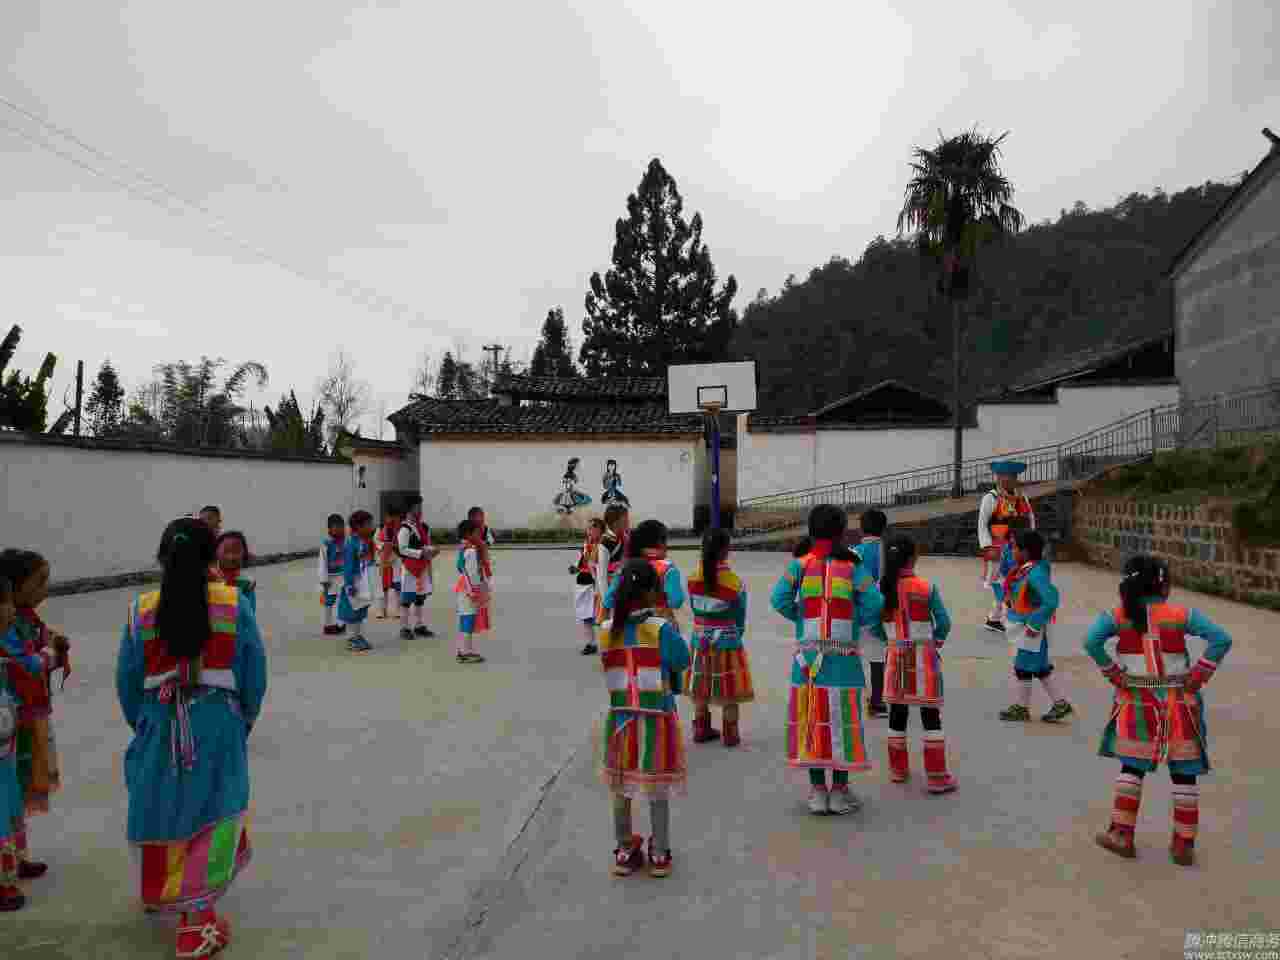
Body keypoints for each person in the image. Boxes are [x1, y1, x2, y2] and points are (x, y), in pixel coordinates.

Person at [116, 517, 266, 957]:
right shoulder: (233, 604)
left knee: (162, 808)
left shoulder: (141, 610)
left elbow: (128, 682)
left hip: (158, 719)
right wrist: (244, 719)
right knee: (214, 811)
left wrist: (145, 724)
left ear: (162, 558)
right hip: (217, 720)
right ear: (211, 558)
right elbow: (254, 672)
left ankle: (164, 893)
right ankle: (196, 925)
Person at [1084, 556, 1231, 866]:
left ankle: (1121, 834)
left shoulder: (1118, 616)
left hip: (1136, 702)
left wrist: (1113, 673)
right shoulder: (1181, 614)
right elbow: (1221, 639)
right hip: (1181, 701)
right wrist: (1199, 674)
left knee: (1132, 768)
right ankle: (1184, 844)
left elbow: (1091, 641)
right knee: (1184, 773)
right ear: (1163, 585)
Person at [770, 504, 883, 816]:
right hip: (843, 658)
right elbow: (874, 603)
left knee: (813, 721)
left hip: (807, 661)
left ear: (811, 530)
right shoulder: (853, 566)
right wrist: (854, 622)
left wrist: (802, 617)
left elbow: (778, 599)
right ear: (841, 532)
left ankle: (818, 791)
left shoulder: (799, 565)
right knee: (842, 722)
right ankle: (840, 792)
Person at [598, 560, 689, 878]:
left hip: (620, 718)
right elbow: (682, 659)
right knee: (656, 785)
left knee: (621, 785)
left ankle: (625, 849)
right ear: (652, 592)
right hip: (656, 717)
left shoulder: (607, 630)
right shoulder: (659, 629)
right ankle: (660, 852)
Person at [0, 549, 70, 879]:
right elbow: (30, 664)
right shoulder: (7, 628)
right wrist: (52, 653)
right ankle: (8, 867)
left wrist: (51, 642)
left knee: (16, 792)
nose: (45, 589)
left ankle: (17, 857)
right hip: (14, 721)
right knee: (9, 792)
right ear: (14, 588)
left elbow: (42, 640)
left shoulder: (25, 620)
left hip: (20, 720)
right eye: (39, 582)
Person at [880, 536, 956, 793]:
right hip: (924, 657)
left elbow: (873, 623)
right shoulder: (926, 587)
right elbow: (944, 622)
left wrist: (890, 641)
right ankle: (936, 776)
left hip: (896, 656)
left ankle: (898, 770)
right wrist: (936, 642)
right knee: (930, 715)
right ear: (914, 557)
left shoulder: (881, 589)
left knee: (897, 714)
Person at [685, 529, 753, 747]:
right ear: (726, 550)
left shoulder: (693, 578)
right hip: (727, 639)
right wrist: (736, 633)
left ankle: (701, 728)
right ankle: (730, 734)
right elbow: (739, 616)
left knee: (700, 686)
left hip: (700, 639)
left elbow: (694, 609)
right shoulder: (735, 583)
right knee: (730, 689)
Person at [998, 530, 1073, 723]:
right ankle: (1060, 703)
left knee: (1022, 668)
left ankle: (1022, 708)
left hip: (1030, 629)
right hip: (1025, 627)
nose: (1012, 551)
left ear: (1025, 552)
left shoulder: (1035, 573)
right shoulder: (1027, 569)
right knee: (1039, 668)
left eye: (1014, 548)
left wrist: (1034, 624)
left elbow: (1051, 600)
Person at [1, 577, 34, 911]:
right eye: (5, 602)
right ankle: (4, 882)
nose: (12, 609)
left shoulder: (7, 641)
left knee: (11, 802)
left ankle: (17, 862)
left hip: (5, 741)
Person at [977, 460, 1035, 633]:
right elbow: (982, 524)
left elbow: (1030, 518)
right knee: (1001, 583)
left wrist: (1032, 541)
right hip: (998, 548)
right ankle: (1007, 617)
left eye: (1012, 476)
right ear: (998, 477)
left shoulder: (1022, 497)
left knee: (1016, 581)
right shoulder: (991, 498)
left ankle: (995, 619)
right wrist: (987, 547)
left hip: (1018, 547)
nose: (1008, 479)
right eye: (1004, 476)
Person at [603, 520, 685, 625]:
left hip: (629, 626)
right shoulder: (668, 569)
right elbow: (676, 601)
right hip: (660, 627)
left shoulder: (625, 567)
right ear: (661, 543)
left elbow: (608, 600)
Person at [854, 510, 889, 718]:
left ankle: (852, 699)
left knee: (852, 656)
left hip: (857, 613)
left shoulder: (853, 553)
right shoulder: (888, 551)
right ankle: (877, 702)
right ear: (884, 528)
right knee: (878, 659)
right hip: (881, 614)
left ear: (861, 528)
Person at [397, 496, 439, 641]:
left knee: (420, 596)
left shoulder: (422, 526)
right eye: (417, 506)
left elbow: (425, 544)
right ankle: (404, 627)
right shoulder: (404, 528)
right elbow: (402, 549)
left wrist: (432, 550)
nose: (420, 509)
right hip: (410, 568)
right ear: (409, 509)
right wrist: (421, 553)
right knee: (407, 599)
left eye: (420, 506)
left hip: (422, 567)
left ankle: (419, 625)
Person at [453, 518, 491, 664]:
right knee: (468, 620)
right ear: (469, 534)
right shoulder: (471, 550)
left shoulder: (464, 548)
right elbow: (470, 573)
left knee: (466, 619)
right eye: (476, 533)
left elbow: (461, 569)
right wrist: (473, 591)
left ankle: (464, 650)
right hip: (468, 589)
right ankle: (464, 652)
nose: (479, 535)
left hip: (464, 588)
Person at [339, 510, 377, 654]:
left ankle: (358, 635)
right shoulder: (351, 544)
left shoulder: (364, 542)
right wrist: (349, 584)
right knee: (352, 611)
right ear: (358, 527)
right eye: (369, 524)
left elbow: (369, 560)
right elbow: (348, 566)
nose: (371, 527)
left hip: (363, 580)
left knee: (361, 610)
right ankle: (351, 639)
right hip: (354, 582)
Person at [571, 519, 605, 655]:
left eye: (592, 528)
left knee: (602, 616)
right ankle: (590, 644)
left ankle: (609, 645)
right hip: (583, 583)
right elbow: (581, 561)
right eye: (588, 528)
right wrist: (575, 567)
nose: (589, 531)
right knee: (586, 616)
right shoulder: (587, 544)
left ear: (600, 530)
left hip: (597, 584)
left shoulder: (604, 546)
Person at [594, 505, 630, 621]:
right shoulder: (605, 542)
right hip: (612, 589)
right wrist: (606, 601)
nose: (628, 522)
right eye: (625, 519)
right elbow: (601, 575)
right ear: (616, 522)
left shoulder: (625, 537)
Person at [318, 514, 347, 637]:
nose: (339, 530)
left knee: (343, 600)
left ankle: (341, 624)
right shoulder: (326, 544)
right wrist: (323, 579)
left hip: (343, 576)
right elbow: (322, 562)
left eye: (341, 527)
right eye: (336, 527)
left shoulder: (346, 542)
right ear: (329, 529)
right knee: (328, 602)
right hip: (330, 577)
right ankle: (328, 625)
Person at [374, 505, 403, 620]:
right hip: (383, 560)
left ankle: (398, 610)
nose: (392, 520)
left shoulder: (401, 529)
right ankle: (382, 610)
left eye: (395, 517)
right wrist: (383, 546)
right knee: (383, 587)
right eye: (390, 517)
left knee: (397, 586)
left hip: (396, 560)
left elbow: (404, 544)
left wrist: (395, 547)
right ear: (386, 517)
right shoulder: (381, 528)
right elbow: (375, 541)